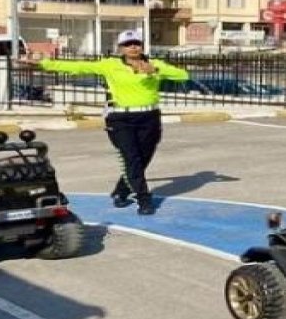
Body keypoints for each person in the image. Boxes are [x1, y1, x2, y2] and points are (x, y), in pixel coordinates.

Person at [37, 29, 188, 215]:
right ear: (121, 48)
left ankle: (121, 191)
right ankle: (144, 199)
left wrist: (155, 70)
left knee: (142, 159)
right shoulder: (110, 65)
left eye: (136, 43)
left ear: (142, 46)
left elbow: (183, 75)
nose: (133, 47)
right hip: (121, 119)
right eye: (128, 44)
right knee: (131, 158)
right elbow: (78, 67)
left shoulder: (154, 64)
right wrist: (43, 63)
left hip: (149, 117)